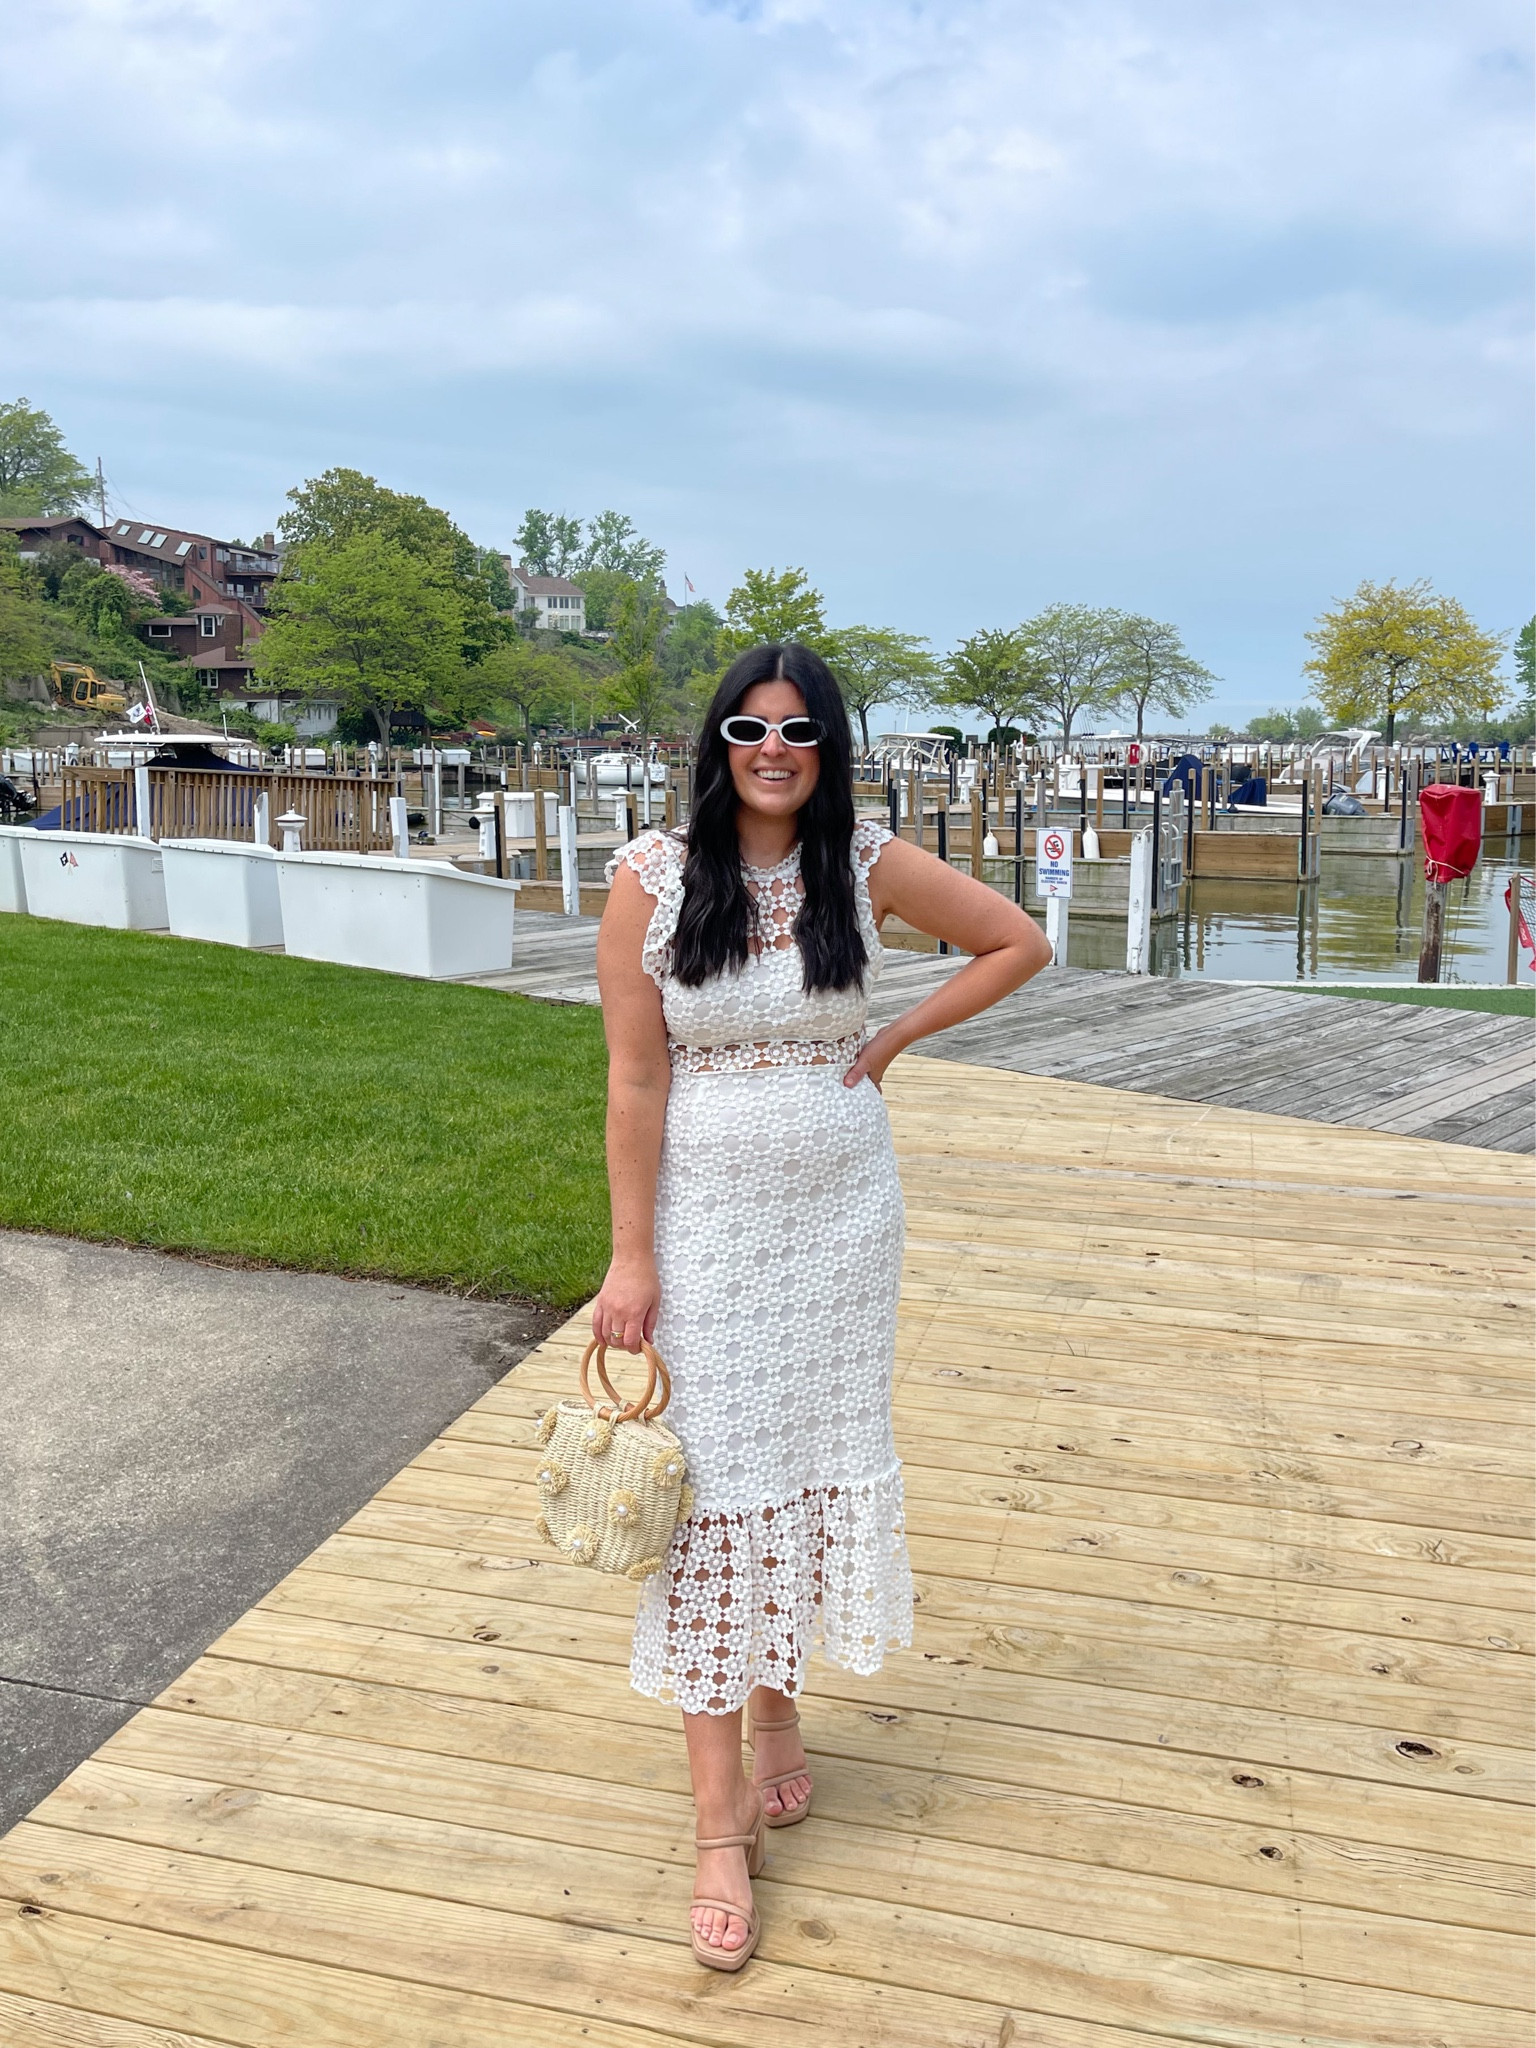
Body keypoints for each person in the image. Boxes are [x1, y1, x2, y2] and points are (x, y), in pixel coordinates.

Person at [593, 641, 1051, 1970]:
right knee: (713, 1494)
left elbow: (1017, 940)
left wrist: (894, 1037)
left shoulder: (867, 865)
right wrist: (632, 1260)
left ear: (829, 745)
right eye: (750, 728)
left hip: (842, 1226)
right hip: (707, 1224)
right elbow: (633, 1084)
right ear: (719, 742)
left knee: (796, 1469)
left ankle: (782, 1719)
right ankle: (716, 1823)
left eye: (798, 731)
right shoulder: (653, 879)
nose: (773, 750)